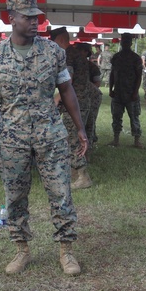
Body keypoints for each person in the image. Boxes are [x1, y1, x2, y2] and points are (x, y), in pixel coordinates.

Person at [0, 0, 88, 276]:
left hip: (50, 134)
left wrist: (80, 127)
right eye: (28, 17)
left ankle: (66, 251)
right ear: (11, 18)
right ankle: (21, 249)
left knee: (61, 192)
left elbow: (67, 90)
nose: (35, 21)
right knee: (15, 196)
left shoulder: (53, 52)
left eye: (37, 16)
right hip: (13, 137)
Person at [50, 27, 94, 189]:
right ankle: (74, 174)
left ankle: (83, 176)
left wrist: (57, 98)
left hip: (74, 104)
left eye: (53, 42)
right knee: (74, 136)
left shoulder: (67, 54)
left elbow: (67, 80)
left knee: (73, 139)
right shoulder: (77, 54)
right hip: (82, 101)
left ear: (60, 39)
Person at [108, 32, 144, 148]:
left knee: (134, 117)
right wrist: (110, 88)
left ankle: (137, 140)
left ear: (131, 43)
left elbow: (139, 76)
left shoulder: (135, 58)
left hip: (130, 92)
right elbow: (112, 74)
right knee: (116, 116)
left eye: (127, 42)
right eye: (124, 41)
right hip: (118, 92)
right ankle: (116, 139)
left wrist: (135, 92)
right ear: (121, 42)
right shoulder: (116, 57)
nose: (125, 44)